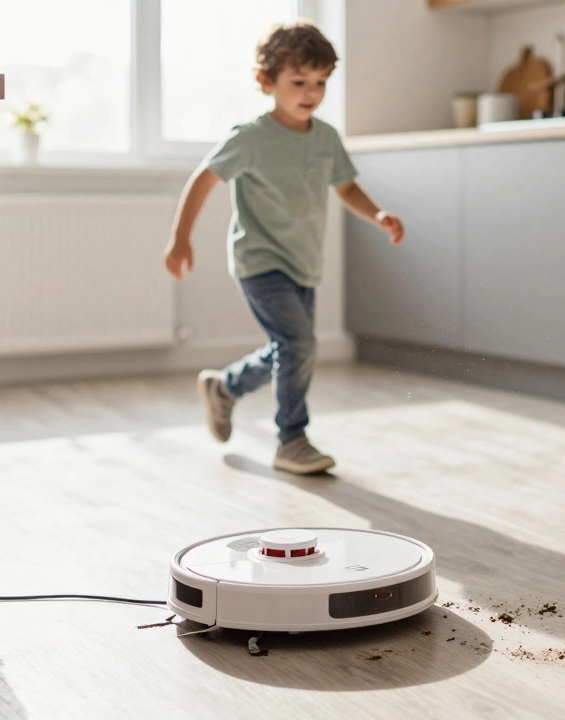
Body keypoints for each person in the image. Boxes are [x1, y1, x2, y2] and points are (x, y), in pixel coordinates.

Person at [163, 21, 404, 475]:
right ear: (266, 82)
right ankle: (291, 439)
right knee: (298, 343)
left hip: (303, 262)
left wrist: (377, 215)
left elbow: (346, 187)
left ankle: (225, 388)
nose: (310, 92)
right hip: (259, 261)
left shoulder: (326, 137)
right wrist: (180, 238)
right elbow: (204, 179)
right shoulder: (251, 137)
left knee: (290, 348)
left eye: (320, 82)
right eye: (298, 82)